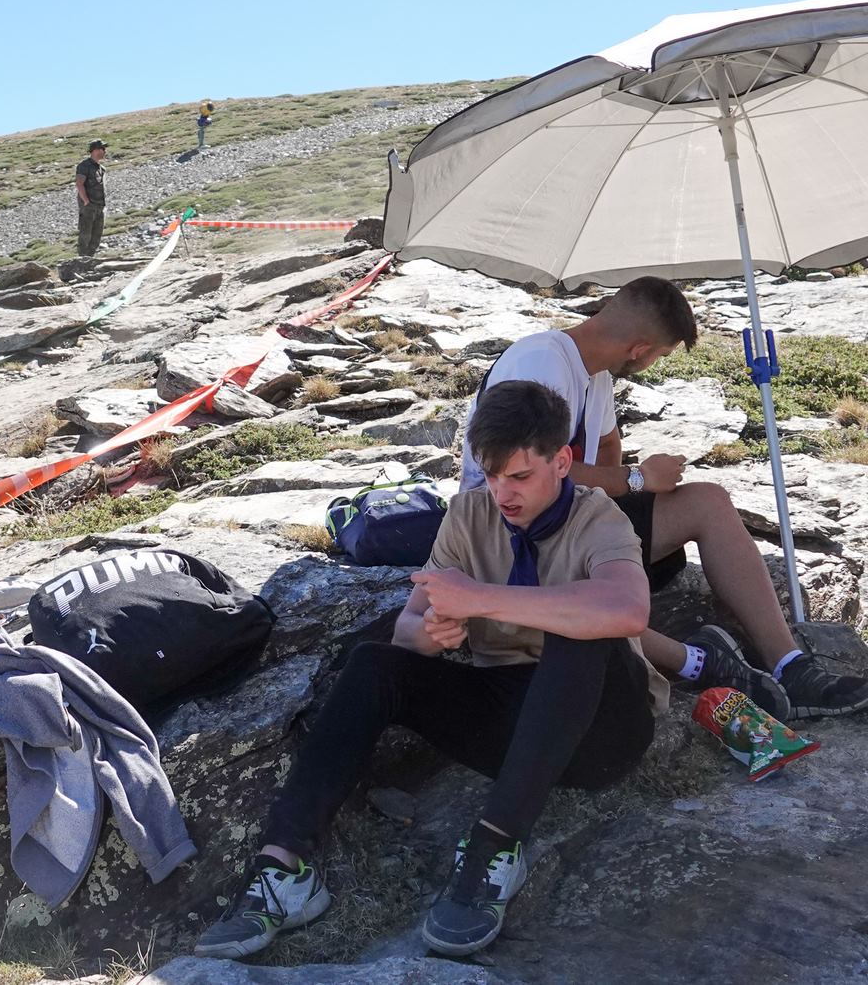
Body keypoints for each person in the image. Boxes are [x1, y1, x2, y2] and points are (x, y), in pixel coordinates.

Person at [196, 380, 662, 960]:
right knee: (375, 664)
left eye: (518, 477)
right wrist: (435, 634)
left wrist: (481, 599)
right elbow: (407, 629)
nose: (502, 493)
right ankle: (284, 867)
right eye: (491, 476)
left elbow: (626, 609)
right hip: (514, 721)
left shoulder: (600, 519)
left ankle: (495, 847)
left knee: (583, 630)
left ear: (562, 460)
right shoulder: (468, 516)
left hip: (601, 732)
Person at [462, 276, 868, 721]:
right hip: (508, 527)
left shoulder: (593, 374)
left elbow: (608, 450)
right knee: (581, 577)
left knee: (707, 502)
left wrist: (628, 498)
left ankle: (791, 667)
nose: (654, 363)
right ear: (639, 349)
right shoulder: (542, 362)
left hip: (567, 519)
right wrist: (638, 479)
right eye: (662, 355)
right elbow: (522, 472)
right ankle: (700, 661)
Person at [74, 140, 108, 257]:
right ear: (95, 150)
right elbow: (79, 184)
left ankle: (90, 258)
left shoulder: (101, 169)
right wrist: (86, 201)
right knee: (85, 234)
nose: (104, 151)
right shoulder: (84, 166)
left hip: (99, 206)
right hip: (89, 206)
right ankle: (83, 259)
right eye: (102, 149)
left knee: (97, 235)